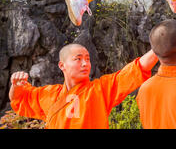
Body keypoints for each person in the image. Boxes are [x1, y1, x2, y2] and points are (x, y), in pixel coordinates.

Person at [9, 43, 158, 129]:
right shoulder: (49, 94)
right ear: (62, 65)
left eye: (87, 59)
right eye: (78, 59)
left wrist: (159, 47)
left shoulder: (100, 90)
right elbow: (20, 99)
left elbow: (133, 71)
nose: (85, 63)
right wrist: (16, 86)